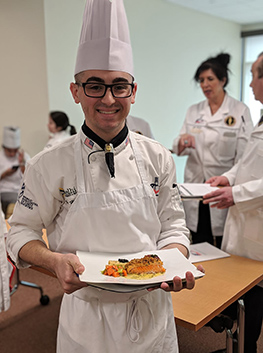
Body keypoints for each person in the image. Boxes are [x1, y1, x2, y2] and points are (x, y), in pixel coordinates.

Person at [6, 1, 203, 352]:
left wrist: (173, 260)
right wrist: (53, 261)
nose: (109, 99)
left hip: (153, 313)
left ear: (134, 91)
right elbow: (20, 232)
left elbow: (173, 224)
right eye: (95, 85)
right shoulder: (47, 163)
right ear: (75, 91)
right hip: (86, 321)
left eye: (119, 86)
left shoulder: (158, 156)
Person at [203, 52, 263, 353]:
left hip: (256, 221)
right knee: (247, 293)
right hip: (246, 220)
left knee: (254, 296)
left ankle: (245, 348)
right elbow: (248, 161)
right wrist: (228, 178)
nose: (250, 83)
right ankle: (239, 346)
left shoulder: (242, 111)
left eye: (254, 75)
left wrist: (236, 194)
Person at [171, 53, 253, 248]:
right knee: (197, 236)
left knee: (221, 239)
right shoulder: (194, 110)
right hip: (195, 186)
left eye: (210, 79)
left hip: (221, 185)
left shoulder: (239, 111)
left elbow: (245, 156)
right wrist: (182, 141)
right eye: (201, 80)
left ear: (222, 80)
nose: (205, 85)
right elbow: (177, 145)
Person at [0, 127, 30, 217]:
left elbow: (30, 177)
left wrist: (22, 163)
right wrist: (5, 173)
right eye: (9, 151)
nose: (12, 154)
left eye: (15, 150)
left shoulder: (24, 156)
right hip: (4, 190)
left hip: (19, 190)